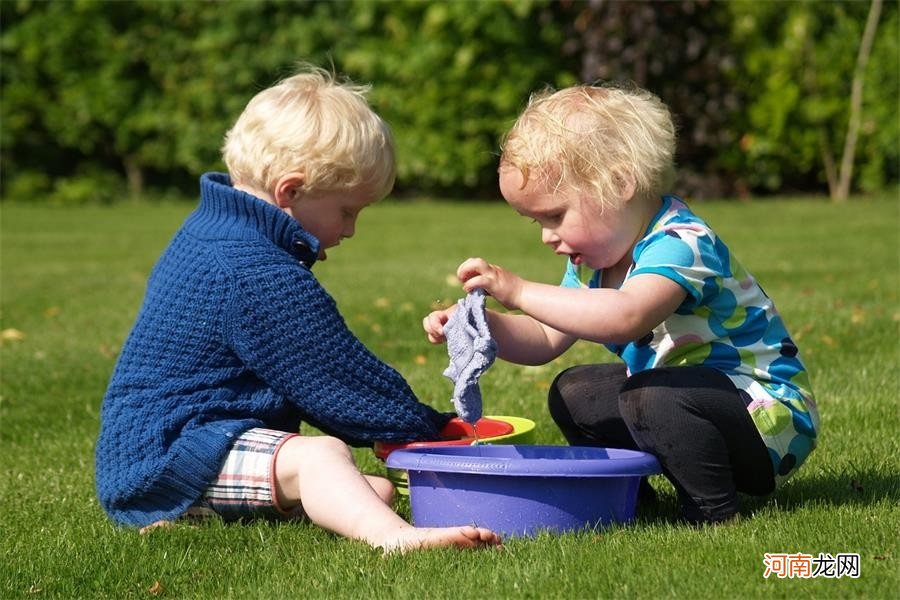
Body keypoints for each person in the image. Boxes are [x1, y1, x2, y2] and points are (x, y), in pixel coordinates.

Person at [95, 64, 501, 553]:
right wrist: (429, 429)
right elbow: (338, 379)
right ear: (290, 192)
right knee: (322, 456)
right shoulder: (253, 271)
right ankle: (396, 540)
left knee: (373, 490)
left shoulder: (215, 231)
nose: (350, 229)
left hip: (181, 446)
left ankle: (191, 517)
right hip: (170, 455)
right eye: (347, 211)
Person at [423, 83, 819, 524]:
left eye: (555, 216)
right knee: (575, 392)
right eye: (536, 221)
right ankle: (628, 498)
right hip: (683, 402)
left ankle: (712, 512)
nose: (546, 236)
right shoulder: (595, 264)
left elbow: (625, 317)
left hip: (765, 420)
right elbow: (543, 339)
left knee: (647, 395)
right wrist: (478, 323)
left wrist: (518, 291)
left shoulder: (682, 242)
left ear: (619, 183)